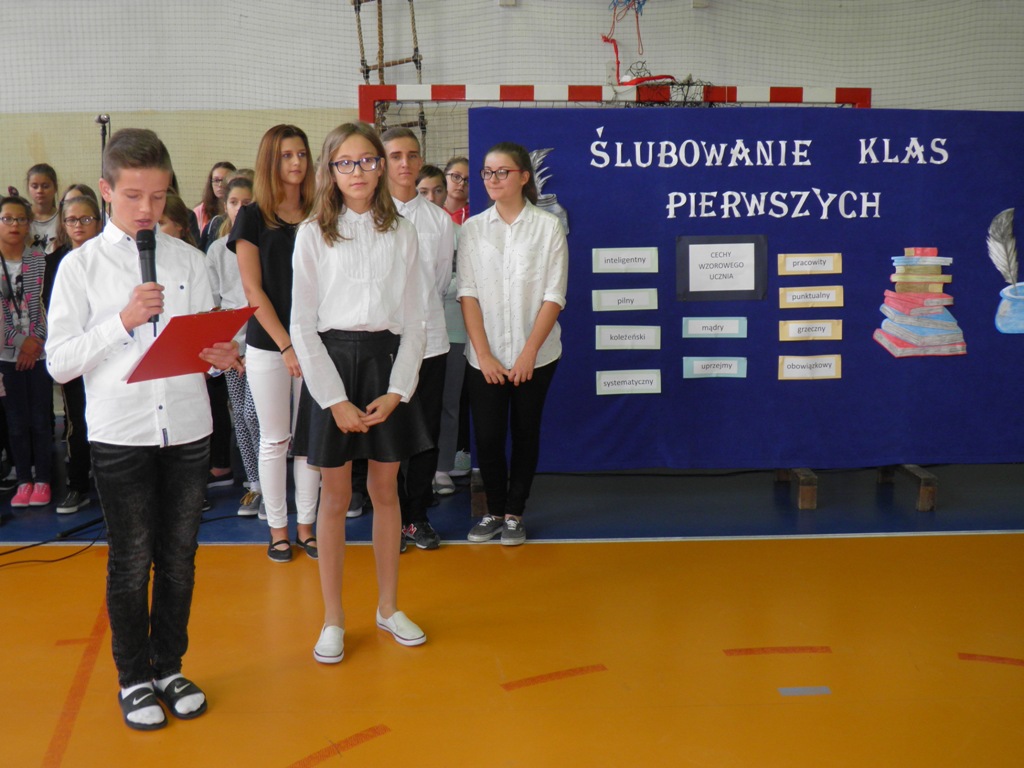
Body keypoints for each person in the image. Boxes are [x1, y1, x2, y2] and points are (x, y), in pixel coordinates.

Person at [45, 127, 241, 731]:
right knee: (131, 560)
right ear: (106, 190)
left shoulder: (189, 259)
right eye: (133, 196)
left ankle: (169, 666)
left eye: (157, 196)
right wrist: (123, 321)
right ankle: (133, 678)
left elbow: (201, 344)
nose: (147, 210)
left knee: (179, 557)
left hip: (187, 428)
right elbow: (59, 362)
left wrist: (221, 355)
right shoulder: (79, 267)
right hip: (119, 433)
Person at [291, 121, 430, 664]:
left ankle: (388, 608)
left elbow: (416, 321)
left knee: (386, 490)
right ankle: (333, 618)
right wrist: (333, 399)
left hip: (385, 365)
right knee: (335, 497)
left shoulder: (403, 232)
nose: (359, 172)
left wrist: (398, 391)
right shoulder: (313, 233)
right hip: (332, 365)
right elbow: (302, 325)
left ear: (381, 166)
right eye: (346, 162)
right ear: (330, 170)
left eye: (368, 161)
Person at [459, 142, 568, 546]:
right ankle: (492, 510)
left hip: (536, 355)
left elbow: (554, 295)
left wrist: (528, 353)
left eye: (502, 172)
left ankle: (513, 514)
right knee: (487, 436)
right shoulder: (472, 229)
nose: (493, 179)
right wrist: (484, 354)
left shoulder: (548, 227)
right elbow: (468, 293)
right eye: (487, 172)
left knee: (525, 433)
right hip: (484, 357)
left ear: (523, 177)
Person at [230, 124, 320, 563]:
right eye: (286, 155)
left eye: (301, 153)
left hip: (315, 342)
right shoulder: (251, 216)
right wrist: (286, 346)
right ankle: (279, 531)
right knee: (275, 439)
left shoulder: (321, 211)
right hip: (269, 344)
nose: (296, 162)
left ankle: (307, 527)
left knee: (309, 441)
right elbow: (253, 291)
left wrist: (307, 342)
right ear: (271, 161)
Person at [381, 128, 454, 550]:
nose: (405, 164)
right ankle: (388, 514)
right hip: (383, 343)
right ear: (382, 162)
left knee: (425, 431)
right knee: (387, 431)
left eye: (411, 155)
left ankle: (416, 516)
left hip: (430, 340)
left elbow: (440, 281)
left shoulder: (439, 221)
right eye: (395, 156)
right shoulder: (368, 215)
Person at [207, 175, 263, 516]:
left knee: (256, 414)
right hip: (231, 347)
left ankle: (270, 483)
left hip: (262, 343)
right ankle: (254, 485)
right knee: (239, 415)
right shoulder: (217, 249)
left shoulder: (264, 241)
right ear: (224, 206)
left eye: (247, 202)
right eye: (233, 202)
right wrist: (227, 347)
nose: (240, 208)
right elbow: (213, 303)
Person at [46, 190, 103, 514]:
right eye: (71, 220)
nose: (78, 225)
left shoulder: (110, 259)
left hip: (107, 353)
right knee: (76, 422)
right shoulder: (56, 261)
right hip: (75, 355)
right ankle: (77, 484)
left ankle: (110, 484)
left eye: (85, 219)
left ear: (98, 221)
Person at [415, 165, 470, 496]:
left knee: (449, 403)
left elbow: (465, 282)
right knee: (413, 405)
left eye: (438, 190)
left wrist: (441, 287)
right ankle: (414, 468)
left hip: (454, 329)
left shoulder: (460, 233)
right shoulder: (404, 230)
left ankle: (442, 467)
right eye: (423, 192)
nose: (432, 197)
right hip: (413, 332)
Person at [0, 195, 52, 507]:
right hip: (6, 356)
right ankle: (23, 479)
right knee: (16, 421)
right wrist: (20, 343)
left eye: (21, 219)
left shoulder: (37, 259)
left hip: (38, 352)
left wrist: (36, 343)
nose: (14, 225)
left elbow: (41, 306)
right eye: (7, 218)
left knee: (41, 419)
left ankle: (43, 479)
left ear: (29, 223)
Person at [194, 161, 236, 252]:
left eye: (225, 180)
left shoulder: (239, 209)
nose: (220, 185)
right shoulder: (199, 211)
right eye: (216, 180)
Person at [26, 164, 60, 254]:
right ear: (28, 188)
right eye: (34, 186)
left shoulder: (63, 218)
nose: (39, 191)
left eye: (45, 186)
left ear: (55, 188)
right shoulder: (21, 218)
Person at [442, 156, 470, 225]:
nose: (462, 183)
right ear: (443, 178)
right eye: (456, 177)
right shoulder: (434, 212)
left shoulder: (475, 215)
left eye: (468, 180)